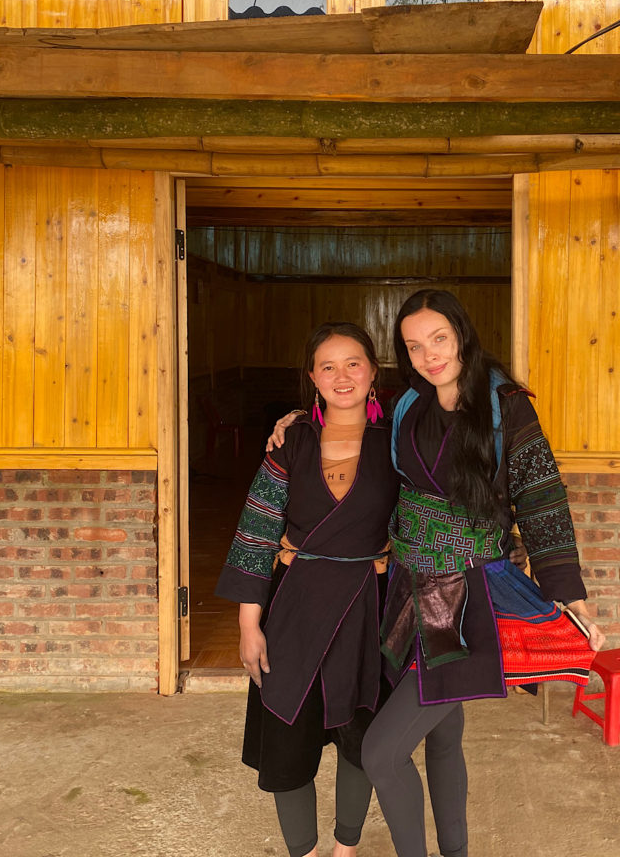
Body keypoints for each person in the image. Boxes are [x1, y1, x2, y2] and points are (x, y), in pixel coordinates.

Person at [359, 289, 606, 857]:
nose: (428, 355)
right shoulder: (407, 407)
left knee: (381, 753)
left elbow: (541, 499)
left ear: (462, 333)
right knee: (443, 737)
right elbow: (364, 452)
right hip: (408, 589)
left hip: (468, 598)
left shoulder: (506, 405)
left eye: (438, 339)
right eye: (414, 346)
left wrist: (570, 594)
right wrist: (300, 421)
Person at [215, 322, 400, 857]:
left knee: (361, 734)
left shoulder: (399, 441)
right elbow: (256, 532)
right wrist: (249, 626)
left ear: (373, 372)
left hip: (370, 604)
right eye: (328, 366)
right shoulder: (292, 441)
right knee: (288, 732)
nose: (342, 376)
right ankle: (305, 851)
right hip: (293, 604)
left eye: (354, 364)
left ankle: (345, 848)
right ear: (312, 379)